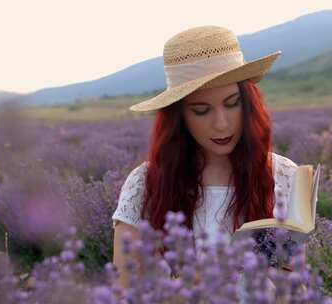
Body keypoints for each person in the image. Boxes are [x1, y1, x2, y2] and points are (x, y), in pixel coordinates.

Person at [111, 25, 302, 295]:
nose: (222, 124)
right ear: (179, 117)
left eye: (232, 103)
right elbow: (123, 293)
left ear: (248, 103)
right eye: (201, 111)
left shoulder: (283, 174)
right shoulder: (145, 184)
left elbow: (295, 284)